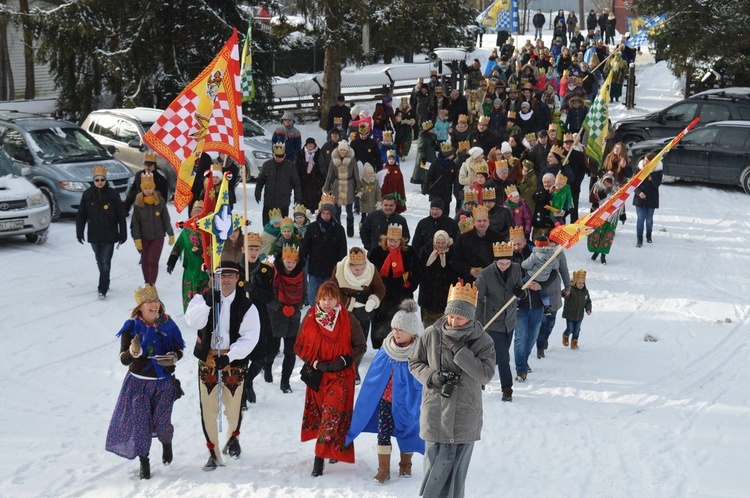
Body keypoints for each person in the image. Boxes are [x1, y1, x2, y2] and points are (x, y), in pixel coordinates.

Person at [408, 281, 496, 498]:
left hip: (464, 414)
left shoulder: (483, 340)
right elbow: (414, 363)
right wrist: (431, 376)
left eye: (459, 317)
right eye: (451, 316)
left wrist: (460, 351)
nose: (453, 322)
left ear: (471, 317)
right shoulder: (431, 333)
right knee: (432, 465)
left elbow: (485, 373)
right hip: (435, 411)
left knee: (457, 472)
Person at [185, 262, 261, 471]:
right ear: (214, 278)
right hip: (208, 360)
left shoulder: (247, 306)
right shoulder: (202, 299)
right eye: (221, 276)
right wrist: (209, 303)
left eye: (230, 276)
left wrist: (230, 357)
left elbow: (251, 337)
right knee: (208, 410)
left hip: (233, 362)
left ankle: (232, 437)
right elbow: (192, 321)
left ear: (237, 278)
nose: (225, 280)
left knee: (234, 408)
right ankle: (213, 452)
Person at [105, 284, 185, 480]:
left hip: (164, 383)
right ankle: (144, 461)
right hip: (138, 385)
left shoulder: (168, 324)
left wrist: (174, 357)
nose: (154, 305)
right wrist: (133, 353)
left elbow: (179, 349)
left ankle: (166, 443)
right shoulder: (131, 327)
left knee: (162, 423)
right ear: (140, 306)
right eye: (148, 301)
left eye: (156, 300)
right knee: (141, 424)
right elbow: (124, 359)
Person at [346, 299, 425, 483]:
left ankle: (406, 466)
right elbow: (375, 376)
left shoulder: (419, 353)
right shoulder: (386, 349)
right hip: (385, 401)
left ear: (411, 331)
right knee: (383, 432)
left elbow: (421, 382)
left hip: (406, 402)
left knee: (407, 431)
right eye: (394, 328)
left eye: (401, 330)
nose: (396, 333)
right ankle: (383, 470)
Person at [294, 281, 367, 477]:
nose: (327, 303)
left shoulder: (349, 319)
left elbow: (361, 346)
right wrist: (317, 363)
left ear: (338, 299)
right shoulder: (310, 318)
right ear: (318, 299)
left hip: (341, 375)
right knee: (321, 414)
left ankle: (319, 459)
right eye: (324, 298)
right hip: (318, 375)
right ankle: (332, 446)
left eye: (331, 298)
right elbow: (299, 346)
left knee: (332, 413)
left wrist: (344, 360)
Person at [476, 242, 524, 400]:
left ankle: (480, 376)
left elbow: (519, 288)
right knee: (504, 357)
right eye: (501, 263)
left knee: (496, 356)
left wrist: (520, 294)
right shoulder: (485, 274)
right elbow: (480, 300)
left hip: (509, 320)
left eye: (507, 263)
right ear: (495, 261)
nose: (504, 266)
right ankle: (507, 388)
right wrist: (479, 323)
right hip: (492, 321)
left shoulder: (516, 268)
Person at [332, 247, 385, 381]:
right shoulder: (339, 269)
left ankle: (354, 368)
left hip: (364, 310)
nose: (359, 272)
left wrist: (373, 300)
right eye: (356, 269)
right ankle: (341, 366)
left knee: (359, 341)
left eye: (362, 268)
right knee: (344, 339)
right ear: (350, 265)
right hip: (345, 309)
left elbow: (380, 288)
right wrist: (350, 302)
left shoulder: (371, 269)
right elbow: (333, 289)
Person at [76, 165, 127, 299]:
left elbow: (121, 216)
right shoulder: (87, 194)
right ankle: (106, 278)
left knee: (105, 261)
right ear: (93, 181)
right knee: (99, 260)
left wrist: (123, 233)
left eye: (102, 180)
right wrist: (79, 232)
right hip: (94, 234)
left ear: (106, 180)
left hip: (109, 234)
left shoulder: (113, 194)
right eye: (97, 180)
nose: (99, 182)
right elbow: (81, 215)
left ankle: (102, 288)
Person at [237, 232, 275, 407]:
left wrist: (254, 290)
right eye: (250, 249)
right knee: (242, 357)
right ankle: (242, 392)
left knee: (260, 357)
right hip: (240, 318)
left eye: (256, 249)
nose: (253, 252)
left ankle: (249, 381)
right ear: (244, 249)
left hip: (259, 318)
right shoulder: (237, 269)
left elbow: (269, 297)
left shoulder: (266, 270)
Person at [368, 224, 421, 349]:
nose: (393, 243)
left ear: (401, 241)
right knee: (380, 320)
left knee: (400, 320)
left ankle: (401, 344)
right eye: (390, 240)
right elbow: (369, 272)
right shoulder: (376, 252)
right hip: (382, 293)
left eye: (396, 241)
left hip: (401, 293)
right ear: (386, 239)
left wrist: (411, 285)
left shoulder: (409, 252)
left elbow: (418, 270)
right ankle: (380, 345)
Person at [266, 245, 305, 393]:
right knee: (273, 348)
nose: (290, 265)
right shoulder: (273, 272)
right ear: (282, 260)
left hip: (293, 315)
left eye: (293, 262)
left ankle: (285, 381)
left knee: (290, 350)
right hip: (276, 314)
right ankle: (268, 365)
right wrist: (279, 307)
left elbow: (304, 295)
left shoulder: (300, 274)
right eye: (288, 261)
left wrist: (296, 307)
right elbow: (269, 294)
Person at [301, 194, 347, 310]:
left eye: (328, 213)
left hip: (330, 271)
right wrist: (302, 261)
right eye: (323, 213)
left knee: (329, 299)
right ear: (320, 213)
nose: (325, 216)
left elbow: (342, 251)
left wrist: (340, 268)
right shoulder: (312, 228)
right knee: (313, 298)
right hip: (314, 270)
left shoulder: (339, 229)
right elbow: (305, 247)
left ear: (332, 214)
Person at [130, 172, 175, 285]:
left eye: (150, 188)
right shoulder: (138, 203)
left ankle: (151, 284)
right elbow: (135, 223)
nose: (148, 190)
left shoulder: (159, 202)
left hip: (158, 236)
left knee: (153, 261)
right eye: (146, 188)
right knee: (145, 261)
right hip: (144, 237)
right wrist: (137, 238)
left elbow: (166, 219)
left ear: (153, 188)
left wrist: (170, 234)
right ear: (142, 189)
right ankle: (147, 282)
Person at [167, 200, 210, 311]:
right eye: (194, 213)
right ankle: (191, 313)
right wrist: (172, 261)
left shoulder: (208, 231)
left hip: (205, 270)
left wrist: (203, 252)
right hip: (190, 269)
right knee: (191, 292)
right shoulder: (186, 231)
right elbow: (178, 246)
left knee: (205, 293)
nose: (196, 216)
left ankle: (205, 313)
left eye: (199, 213)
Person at [450, 205, 503, 284]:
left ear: (489, 222)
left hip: (492, 280)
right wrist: (469, 270)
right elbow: (455, 261)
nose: (482, 224)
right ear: (474, 222)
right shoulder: (463, 238)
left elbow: (504, 259)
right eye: (479, 221)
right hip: (469, 281)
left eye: (484, 221)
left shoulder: (498, 238)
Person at [418, 229, 457, 327]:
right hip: (428, 295)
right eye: (438, 243)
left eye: (443, 243)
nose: (440, 245)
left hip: (445, 295)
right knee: (429, 328)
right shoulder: (425, 250)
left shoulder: (452, 252)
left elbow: (456, 270)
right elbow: (418, 269)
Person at [255, 143, 302, 225]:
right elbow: (260, 180)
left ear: (285, 155)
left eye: (281, 156)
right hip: (269, 202)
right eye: (277, 156)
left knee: (283, 225)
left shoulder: (290, 166)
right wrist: (257, 192)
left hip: (283, 202)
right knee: (267, 225)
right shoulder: (267, 165)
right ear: (273, 154)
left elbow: (296, 183)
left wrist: (298, 196)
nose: (279, 159)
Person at [322, 139, 361, 237]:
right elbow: (329, 174)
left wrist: (358, 186)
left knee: (349, 211)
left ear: (347, 151)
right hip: (337, 186)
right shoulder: (334, 159)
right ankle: (337, 229)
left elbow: (356, 173)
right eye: (341, 150)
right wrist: (326, 187)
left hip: (349, 186)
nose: (342, 152)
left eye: (344, 150)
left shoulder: (352, 160)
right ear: (338, 150)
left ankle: (350, 228)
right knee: (336, 211)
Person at [588, 173, 619, 265]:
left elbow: (620, 201)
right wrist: (603, 194)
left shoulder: (615, 190)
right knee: (597, 235)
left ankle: (603, 255)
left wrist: (623, 215)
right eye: (605, 183)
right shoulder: (597, 186)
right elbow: (591, 199)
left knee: (607, 236)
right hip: (598, 215)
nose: (607, 186)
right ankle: (596, 251)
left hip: (611, 217)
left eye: (609, 184)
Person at [633, 153, 663, 247]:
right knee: (640, 218)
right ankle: (639, 238)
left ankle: (649, 235)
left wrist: (651, 172)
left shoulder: (658, 171)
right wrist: (639, 193)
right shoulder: (639, 169)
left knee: (649, 219)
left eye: (648, 161)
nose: (646, 162)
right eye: (645, 160)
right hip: (640, 198)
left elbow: (657, 184)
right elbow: (633, 184)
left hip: (651, 198)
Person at [423, 141, 458, 214]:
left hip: (446, 192)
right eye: (451, 154)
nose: (453, 155)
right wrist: (425, 187)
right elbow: (429, 176)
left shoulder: (453, 164)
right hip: (435, 191)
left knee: (445, 211)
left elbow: (455, 179)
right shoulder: (436, 163)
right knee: (435, 209)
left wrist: (456, 191)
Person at [562, 269, 592, 350]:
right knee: (570, 329)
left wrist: (588, 309)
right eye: (579, 282)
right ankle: (565, 335)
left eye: (582, 283)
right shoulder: (570, 289)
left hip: (579, 315)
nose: (581, 284)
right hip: (570, 314)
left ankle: (574, 343)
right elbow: (564, 294)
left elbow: (588, 301)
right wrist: (565, 292)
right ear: (575, 282)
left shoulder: (585, 291)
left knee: (577, 330)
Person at [295, 137, 323, 210]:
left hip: (315, 179)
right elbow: (297, 166)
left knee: (315, 196)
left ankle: (314, 209)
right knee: (303, 195)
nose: (310, 146)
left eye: (312, 144)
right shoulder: (300, 154)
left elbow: (322, 166)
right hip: (304, 179)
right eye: (309, 144)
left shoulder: (319, 153)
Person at [411, 119, 438, 185]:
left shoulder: (433, 136)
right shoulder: (423, 137)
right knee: (424, 173)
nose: (433, 129)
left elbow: (435, 146)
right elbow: (421, 148)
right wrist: (423, 157)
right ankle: (424, 185)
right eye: (432, 129)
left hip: (431, 157)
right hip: (425, 158)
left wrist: (436, 146)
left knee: (430, 171)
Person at [380, 149, 407, 213]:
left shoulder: (397, 168)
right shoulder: (384, 168)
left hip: (395, 189)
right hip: (386, 189)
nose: (391, 161)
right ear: (387, 159)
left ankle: (396, 209)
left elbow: (400, 179)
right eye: (390, 159)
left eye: (392, 159)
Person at [359, 163, 381, 229]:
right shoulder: (362, 181)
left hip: (373, 202)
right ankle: (362, 228)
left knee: (372, 217)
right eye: (369, 173)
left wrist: (379, 201)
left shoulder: (375, 181)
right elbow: (359, 188)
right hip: (364, 202)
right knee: (364, 217)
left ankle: (371, 229)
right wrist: (360, 192)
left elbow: (378, 192)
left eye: (372, 173)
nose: (371, 175)